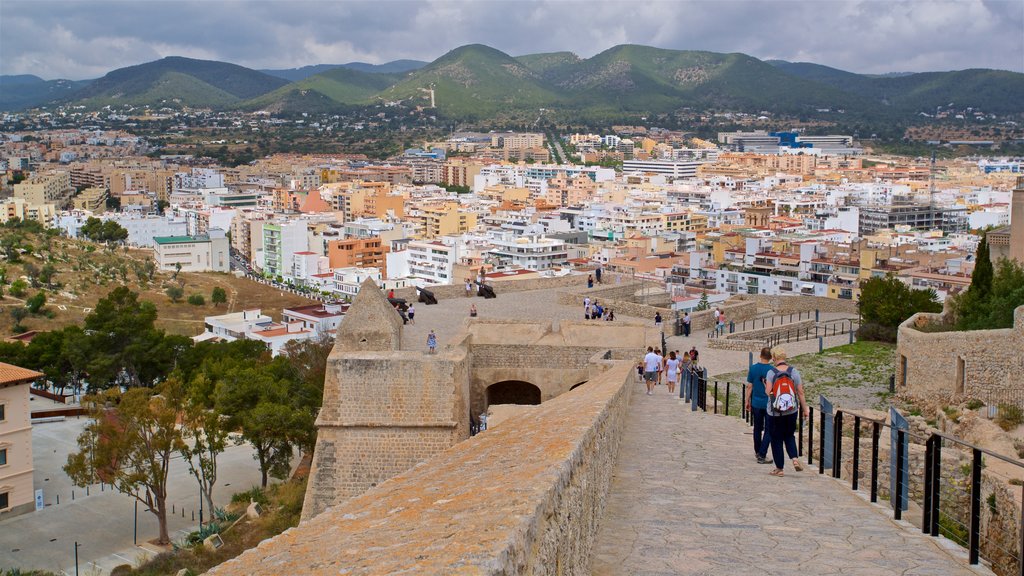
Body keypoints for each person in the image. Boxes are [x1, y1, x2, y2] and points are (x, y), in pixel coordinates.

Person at [765, 346, 808, 477]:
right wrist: (805, 409)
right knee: (789, 435)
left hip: (775, 412)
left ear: (774, 358)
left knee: (776, 438)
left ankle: (779, 468)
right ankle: (794, 459)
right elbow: (800, 392)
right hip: (791, 410)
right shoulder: (793, 371)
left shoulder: (771, 373)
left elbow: (768, 392)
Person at [745, 347, 775, 464]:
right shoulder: (772, 370)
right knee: (769, 429)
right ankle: (762, 453)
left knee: (757, 428)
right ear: (771, 357)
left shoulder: (753, 368)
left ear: (760, 356)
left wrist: (747, 400)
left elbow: (749, 386)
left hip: (756, 403)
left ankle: (758, 451)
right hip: (768, 403)